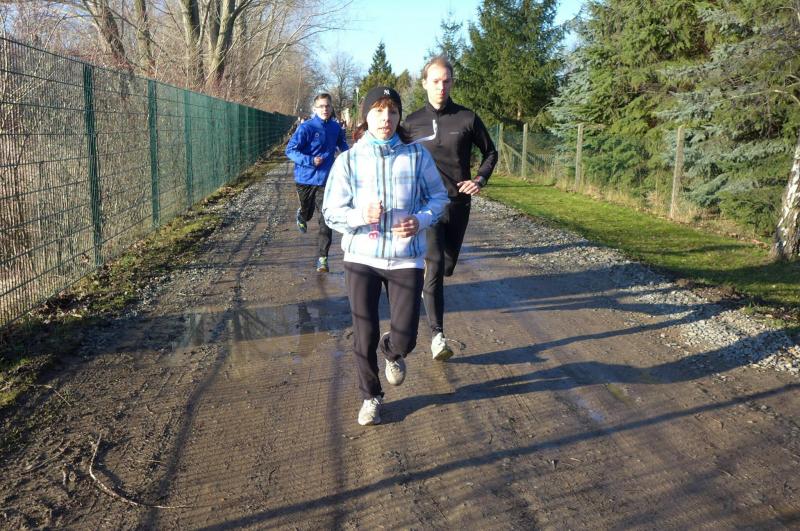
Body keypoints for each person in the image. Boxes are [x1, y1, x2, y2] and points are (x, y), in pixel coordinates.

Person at [323, 86, 449, 426]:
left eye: (392, 111)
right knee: (363, 332)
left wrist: (420, 220)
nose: (386, 119)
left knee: (406, 335)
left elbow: (439, 198)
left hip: (405, 257)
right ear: (366, 116)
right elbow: (330, 212)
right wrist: (359, 215)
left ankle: (392, 351)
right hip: (361, 257)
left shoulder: (417, 155)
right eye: (378, 111)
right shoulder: (349, 160)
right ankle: (371, 397)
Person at [403, 55, 498, 361]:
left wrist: (479, 179)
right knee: (433, 268)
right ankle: (437, 336)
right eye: (435, 81)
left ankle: (431, 285)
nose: (441, 87)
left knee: (446, 265)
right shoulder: (411, 123)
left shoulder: (467, 118)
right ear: (424, 83)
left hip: (458, 205)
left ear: (452, 83)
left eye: (446, 81)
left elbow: (490, 152)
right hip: (426, 207)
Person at [285, 93, 349, 272]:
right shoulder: (306, 127)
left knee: (325, 219)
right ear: (315, 109)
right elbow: (290, 150)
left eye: (327, 106)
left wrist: (352, 156)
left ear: (331, 107)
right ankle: (302, 214)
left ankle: (323, 258)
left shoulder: (336, 127)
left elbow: (342, 146)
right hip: (305, 179)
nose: (325, 109)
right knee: (308, 213)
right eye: (321, 106)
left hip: (326, 180)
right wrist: (310, 160)